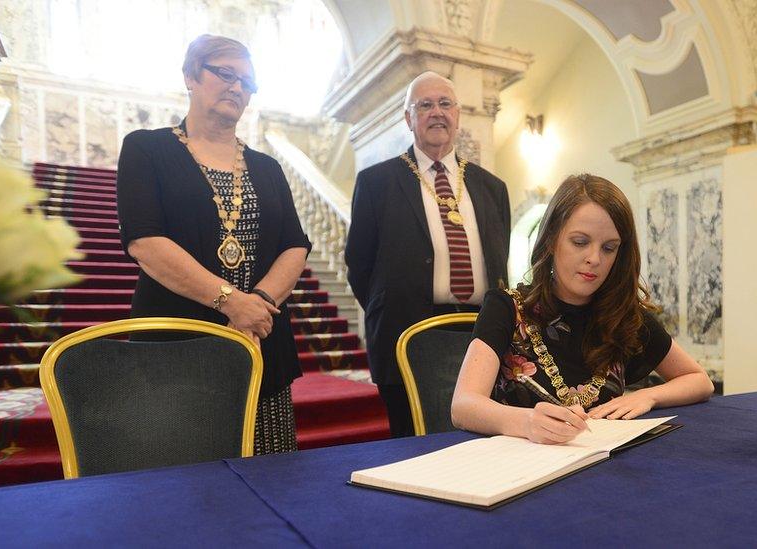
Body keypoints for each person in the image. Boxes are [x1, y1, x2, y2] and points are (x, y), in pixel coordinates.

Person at [116, 35, 312, 454]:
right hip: (176, 344)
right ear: (190, 76)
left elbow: (295, 245)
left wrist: (256, 302)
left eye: (247, 81)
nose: (237, 87)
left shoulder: (268, 167)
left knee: (270, 481)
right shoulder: (146, 148)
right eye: (225, 73)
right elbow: (145, 242)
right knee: (183, 478)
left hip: (260, 341)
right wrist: (230, 302)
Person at [451, 174, 713, 444]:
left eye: (609, 248)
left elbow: (698, 380)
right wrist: (527, 422)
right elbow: (463, 406)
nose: (594, 259)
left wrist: (648, 395)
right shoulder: (507, 308)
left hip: (603, 465)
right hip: (520, 466)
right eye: (580, 242)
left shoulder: (625, 316)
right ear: (552, 239)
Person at [345, 71, 511, 437]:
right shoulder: (376, 184)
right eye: (425, 105)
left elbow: (501, 258)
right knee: (413, 444)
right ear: (409, 118)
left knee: (480, 443)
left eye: (445, 104)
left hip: (479, 335)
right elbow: (359, 266)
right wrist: (390, 306)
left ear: (458, 115)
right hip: (406, 336)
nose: (437, 112)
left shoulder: (491, 188)